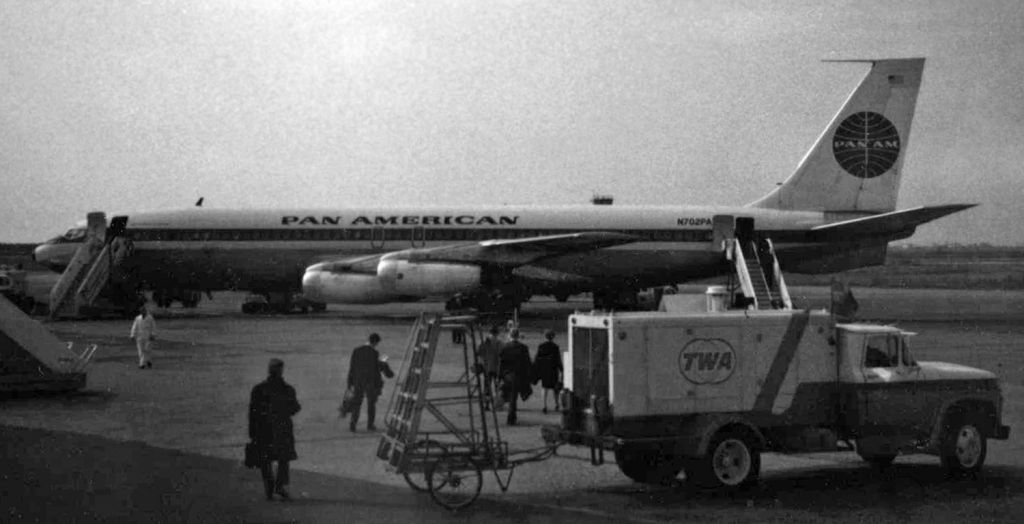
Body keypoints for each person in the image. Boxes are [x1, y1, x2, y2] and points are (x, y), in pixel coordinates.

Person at [249, 358, 301, 501]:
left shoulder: (258, 389)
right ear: (281, 371)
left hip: (264, 429)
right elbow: (295, 408)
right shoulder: (288, 389)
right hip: (282, 429)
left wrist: (252, 432)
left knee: (265, 459)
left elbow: (253, 412)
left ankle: (269, 486)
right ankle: (280, 485)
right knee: (283, 459)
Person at [347, 333, 393, 432]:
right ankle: (370, 424)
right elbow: (375, 369)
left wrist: (350, 382)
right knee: (371, 404)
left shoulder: (356, 351)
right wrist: (384, 365)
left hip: (358, 381)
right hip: (370, 382)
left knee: (357, 403)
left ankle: (353, 423)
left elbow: (352, 367)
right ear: (376, 343)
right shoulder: (374, 353)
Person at [498, 329, 532, 425]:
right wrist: (528, 377)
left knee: (510, 396)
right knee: (514, 396)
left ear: (510, 335)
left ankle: (511, 415)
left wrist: (499, 377)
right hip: (519, 375)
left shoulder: (505, 347)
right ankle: (512, 416)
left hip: (508, 375)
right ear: (518, 336)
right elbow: (527, 363)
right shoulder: (523, 348)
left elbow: (501, 364)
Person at [533, 330, 563, 413]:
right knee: (555, 388)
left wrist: (536, 369)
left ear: (545, 337)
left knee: (544, 388)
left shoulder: (541, 346)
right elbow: (558, 360)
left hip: (544, 369)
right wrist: (561, 369)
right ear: (553, 337)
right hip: (553, 369)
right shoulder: (555, 347)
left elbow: (537, 358)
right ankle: (556, 404)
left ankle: (544, 405)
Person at [478, 325, 503, 409]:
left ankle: (486, 404)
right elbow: (502, 354)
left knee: (487, 386)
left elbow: (479, 353)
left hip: (487, 366)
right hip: (497, 367)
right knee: (497, 386)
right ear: (497, 333)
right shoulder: (499, 342)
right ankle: (497, 404)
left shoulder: (485, 341)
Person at [129, 305, 156, 369]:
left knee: (147, 349)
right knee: (140, 350)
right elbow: (134, 326)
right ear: (140, 311)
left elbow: (153, 327)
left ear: (146, 311)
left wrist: (153, 334)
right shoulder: (138, 318)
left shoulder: (150, 318)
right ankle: (144, 363)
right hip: (139, 336)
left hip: (148, 336)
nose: (143, 312)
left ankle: (145, 362)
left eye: (144, 310)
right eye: (141, 311)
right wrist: (132, 335)